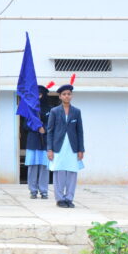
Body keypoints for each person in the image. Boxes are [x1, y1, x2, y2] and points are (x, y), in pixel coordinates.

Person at [46, 75, 84, 208]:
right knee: (59, 172)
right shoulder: (54, 111)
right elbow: (49, 131)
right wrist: (49, 149)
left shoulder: (76, 112)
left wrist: (81, 149)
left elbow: (80, 131)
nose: (67, 96)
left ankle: (69, 198)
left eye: (69, 94)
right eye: (64, 94)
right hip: (58, 146)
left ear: (71, 96)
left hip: (73, 147)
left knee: (72, 173)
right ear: (60, 97)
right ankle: (60, 198)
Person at [25, 81, 54, 200]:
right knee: (32, 166)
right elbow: (25, 126)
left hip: (45, 141)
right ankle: (32, 190)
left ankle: (43, 190)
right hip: (33, 141)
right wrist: (37, 127)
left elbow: (52, 124)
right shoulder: (30, 109)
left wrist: (45, 129)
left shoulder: (50, 109)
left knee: (44, 166)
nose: (38, 97)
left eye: (40, 94)